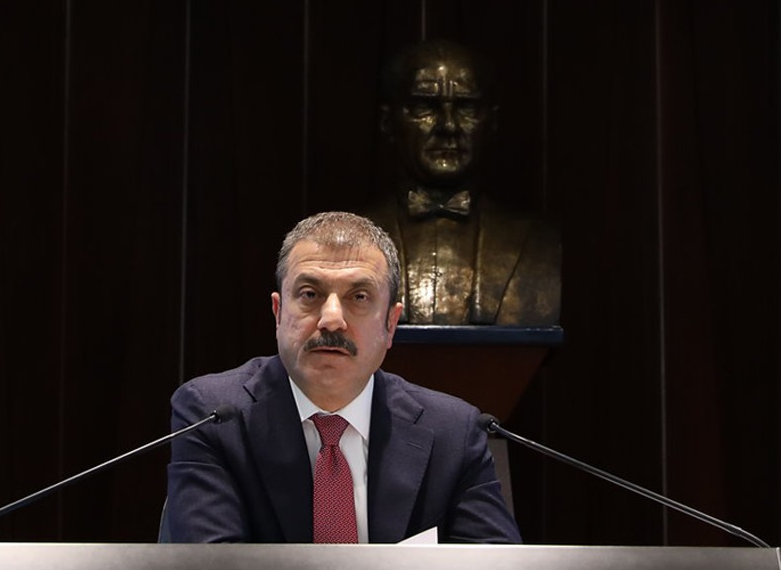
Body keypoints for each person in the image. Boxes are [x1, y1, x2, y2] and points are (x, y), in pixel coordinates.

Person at [163, 212, 521, 543]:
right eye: (310, 294)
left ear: (391, 324)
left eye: (359, 297)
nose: (332, 319)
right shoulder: (214, 416)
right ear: (278, 313)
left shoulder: (453, 432)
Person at [362, 39, 561, 326]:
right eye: (424, 106)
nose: (449, 126)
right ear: (387, 122)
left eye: (467, 107)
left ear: (491, 121)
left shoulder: (538, 243)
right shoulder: (343, 243)